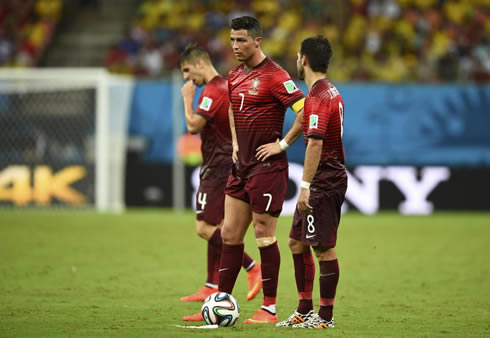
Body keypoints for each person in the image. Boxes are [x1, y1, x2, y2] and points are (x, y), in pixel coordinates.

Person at [218, 16, 306, 324]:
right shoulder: (233, 75)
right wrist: (235, 142)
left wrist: (282, 145)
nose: (235, 46)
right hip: (240, 166)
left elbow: (305, 111)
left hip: (267, 168)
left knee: (263, 234)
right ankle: (221, 303)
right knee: (228, 234)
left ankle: (269, 309)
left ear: (258, 41)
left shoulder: (275, 75)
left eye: (241, 40)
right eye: (232, 40)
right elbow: (232, 107)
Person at [262, 35, 347, 329]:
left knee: (322, 248)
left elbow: (315, 143)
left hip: (324, 181)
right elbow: (303, 119)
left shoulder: (320, 97)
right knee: (296, 243)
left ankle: (325, 318)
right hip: (322, 179)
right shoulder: (319, 93)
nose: (297, 60)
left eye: (298, 56)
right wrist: (283, 145)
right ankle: (304, 310)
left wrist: (306, 187)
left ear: (304, 59)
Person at [178, 44, 262, 321]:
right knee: (218, 227)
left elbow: (192, 126)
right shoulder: (227, 88)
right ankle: (211, 287)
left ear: (200, 63)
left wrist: (187, 99)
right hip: (228, 164)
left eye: (188, 72)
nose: (188, 80)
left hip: (217, 167)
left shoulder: (212, 91)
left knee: (204, 228)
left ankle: (251, 267)